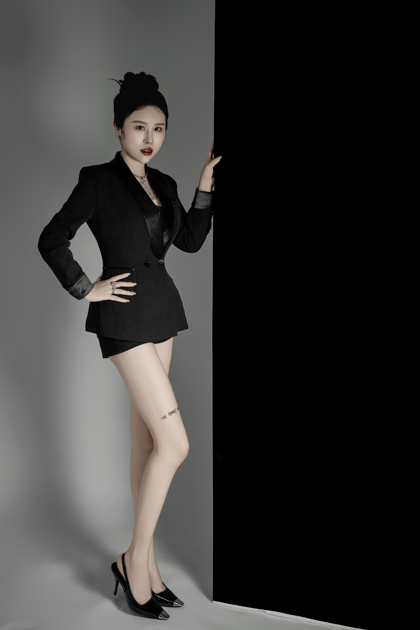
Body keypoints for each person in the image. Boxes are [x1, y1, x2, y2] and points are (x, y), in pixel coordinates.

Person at [38, 71, 221, 620]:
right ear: (117, 127)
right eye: (139, 127)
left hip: (162, 313)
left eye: (158, 128)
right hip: (123, 318)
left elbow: (190, 241)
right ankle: (134, 560)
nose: (149, 137)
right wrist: (84, 286)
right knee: (175, 444)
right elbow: (53, 238)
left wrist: (204, 185)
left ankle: (149, 564)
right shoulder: (97, 180)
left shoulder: (163, 182)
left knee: (147, 443)